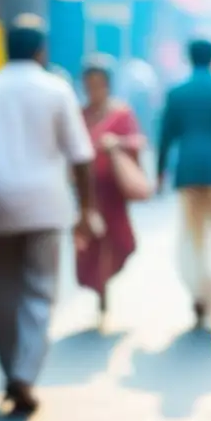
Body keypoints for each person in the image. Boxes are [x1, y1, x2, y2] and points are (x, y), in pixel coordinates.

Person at [0, 15, 97, 414]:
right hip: (47, 205)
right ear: (41, 50)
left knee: (6, 292)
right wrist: (86, 209)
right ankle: (24, 374)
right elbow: (81, 157)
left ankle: (11, 371)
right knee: (39, 292)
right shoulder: (56, 89)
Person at [157, 39, 211, 327]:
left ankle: (199, 294)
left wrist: (159, 172)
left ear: (188, 58)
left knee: (193, 238)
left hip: (188, 173)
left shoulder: (177, 93)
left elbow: (166, 135)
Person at [77, 57, 145, 320]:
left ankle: (105, 279)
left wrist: (116, 144)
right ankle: (99, 287)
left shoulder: (121, 113)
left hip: (113, 189)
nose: (94, 90)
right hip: (87, 191)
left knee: (122, 241)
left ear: (108, 85)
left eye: (99, 84)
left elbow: (136, 143)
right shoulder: (79, 115)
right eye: (89, 84)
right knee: (90, 243)